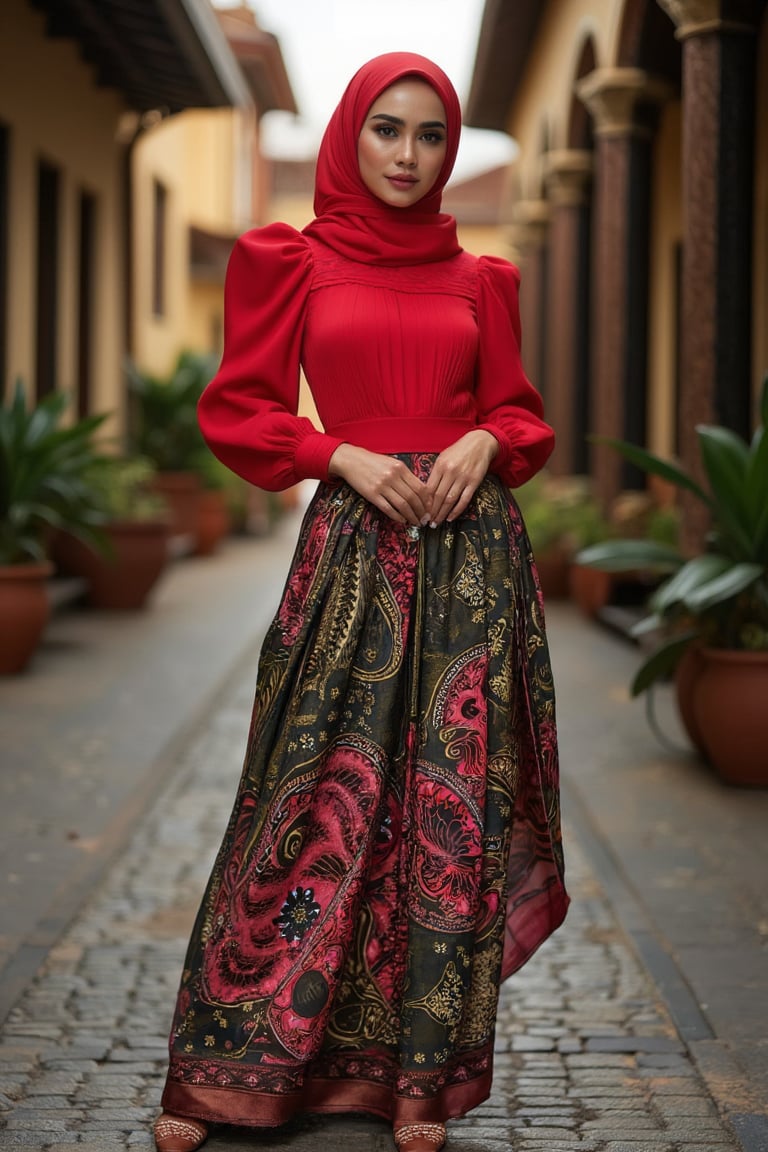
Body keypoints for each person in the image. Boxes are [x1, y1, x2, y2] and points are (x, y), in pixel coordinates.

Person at [153, 51, 568, 1152]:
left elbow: (522, 417)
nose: (408, 155)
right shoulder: (292, 262)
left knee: (443, 827)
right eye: (388, 129)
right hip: (350, 565)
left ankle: (414, 1084)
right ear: (352, 134)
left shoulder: (484, 280)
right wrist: (339, 454)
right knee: (301, 800)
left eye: (431, 136)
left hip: (472, 568)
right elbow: (240, 409)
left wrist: (483, 432)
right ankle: (218, 1072)